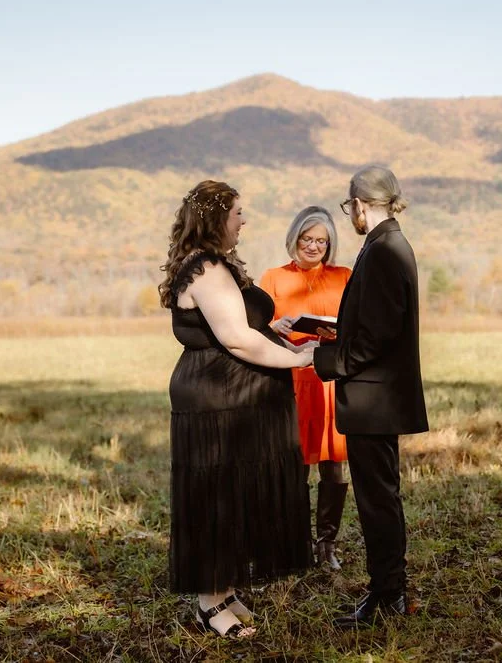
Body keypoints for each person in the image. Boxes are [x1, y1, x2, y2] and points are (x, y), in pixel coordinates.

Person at [159, 180, 315, 639]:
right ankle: (209, 601)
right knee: (216, 495)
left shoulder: (217, 264)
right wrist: (297, 359)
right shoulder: (205, 268)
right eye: (238, 213)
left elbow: (243, 323)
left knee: (238, 489)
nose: (244, 221)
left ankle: (224, 587)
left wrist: (276, 326)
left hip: (239, 400)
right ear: (215, 219)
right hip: (217, 400)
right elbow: (234, 338)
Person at [312, 165, 429, 629]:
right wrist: (335, 333)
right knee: (379, 498)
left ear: (360, 204)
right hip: (374, 397)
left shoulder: (384, 250)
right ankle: (388, 593)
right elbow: (375, 324)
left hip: (373, 401)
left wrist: (321, 360)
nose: (351, 216)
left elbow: (377, 338)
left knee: (378, 500)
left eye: (350, 208)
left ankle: (388, 597)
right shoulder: (385, 246)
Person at [259, 206, 351, 570]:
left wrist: (335, 332)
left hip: (330, 381)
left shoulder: (344, 276)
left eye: (321, 241)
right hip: (292, 381)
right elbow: (255, 329)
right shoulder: (273, 278)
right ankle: (293, 544)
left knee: (333, 467)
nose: (313, 246)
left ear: (329, 245)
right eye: (307, 239)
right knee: (292, 465)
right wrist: (275, 327)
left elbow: (358, 325)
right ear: (294, 239)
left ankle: (326, 545)